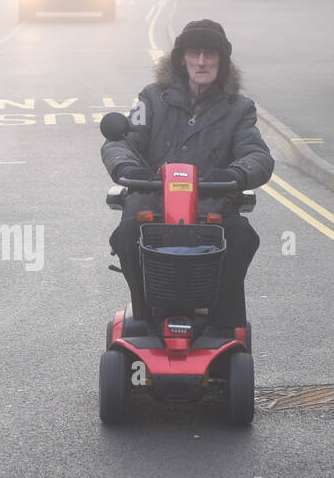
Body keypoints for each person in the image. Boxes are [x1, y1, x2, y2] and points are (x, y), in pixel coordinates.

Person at [102, 18, 273, 329]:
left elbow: (258, 155)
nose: (202, 61)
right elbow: (121, 141)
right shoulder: (152, 98)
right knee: (127, 232)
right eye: (194, 53)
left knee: (241, 236)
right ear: (181, 59)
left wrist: (235, 174)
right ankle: (145, 313)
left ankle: (223, 323)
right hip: (155, 203)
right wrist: (126, 166)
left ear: (223, 60)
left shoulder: (239, 108)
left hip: (212, 206)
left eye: (210, 54)